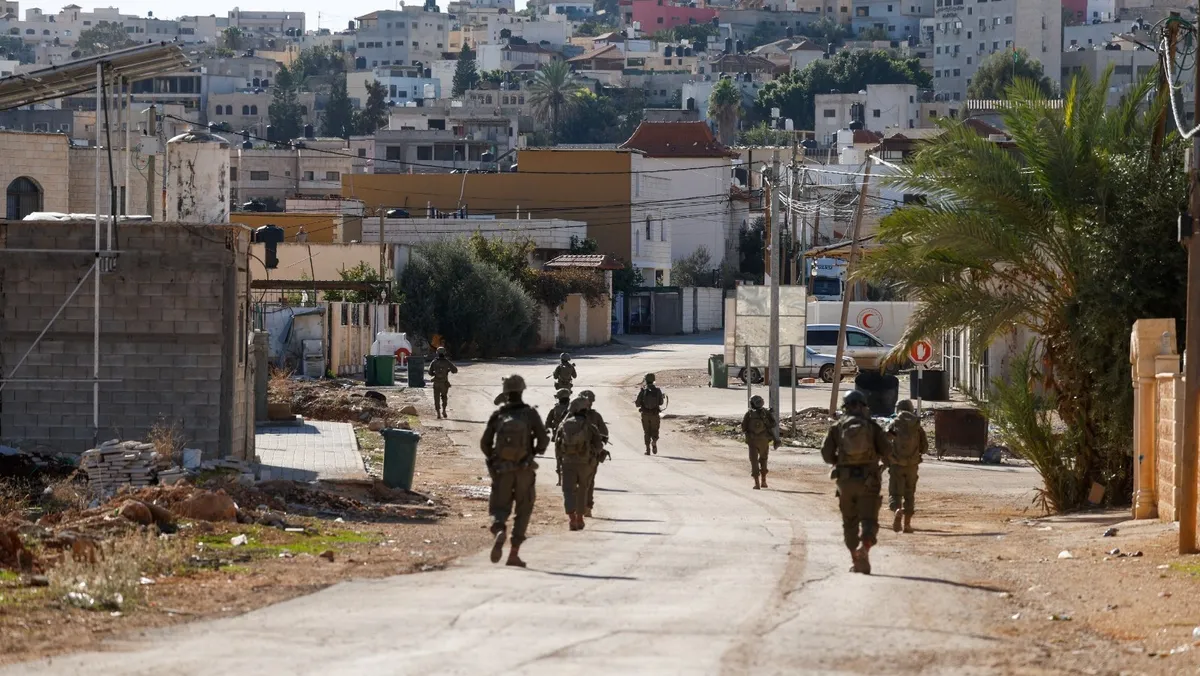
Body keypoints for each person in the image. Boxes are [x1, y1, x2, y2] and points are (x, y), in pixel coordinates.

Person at [480, 374, 549, 568]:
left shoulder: (498, 415)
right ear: (522, 390)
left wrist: (495, 459)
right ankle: (513, 553)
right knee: (523, 510)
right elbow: (543, 440)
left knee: (499, 508)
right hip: (524, 470)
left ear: (505, 392)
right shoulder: (530, 414)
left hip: (502, 470)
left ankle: (499, 529)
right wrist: (532, 453)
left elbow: (485, 443)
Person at [821, 390, 891, 575]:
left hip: (845, 481)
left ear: (845, 407)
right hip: (869, 481)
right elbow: (887, 450)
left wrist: (839, 461)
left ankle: (855, 559)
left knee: (849, 522)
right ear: (863, 406)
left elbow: (826, 455)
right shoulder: (872, 427)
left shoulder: (837, 427)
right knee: (869, 520)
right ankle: (865, 548)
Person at [556, 397, 604, 531]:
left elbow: (557, 445)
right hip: (585, 463)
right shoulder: (590, 426)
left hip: (568, 462)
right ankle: (580, 518)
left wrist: (560, 461)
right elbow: (599, 446)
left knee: (568, 490)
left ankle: (572, 519)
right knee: (583, 488)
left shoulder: (564, 425)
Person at [887, 399, 926, 534]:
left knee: (895, 493)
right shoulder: (917, 425)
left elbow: (884, 443)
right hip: (912, 466)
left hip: (897, 465)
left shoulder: (894, 424)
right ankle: (907, 525)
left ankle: (897, 510)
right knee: (909, 494)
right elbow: (925, 448)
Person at [578, 390, 609, 517]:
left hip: (574, 455)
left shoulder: (571, 415)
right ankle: (587, 507)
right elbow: (605, 435)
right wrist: (597, 446)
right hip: (591, 456)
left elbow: (560, 433)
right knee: (589, 482)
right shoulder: (596, 416)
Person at [741, 395, 781, 490]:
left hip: (752, 441)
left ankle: (757, 483)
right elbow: (773, 424)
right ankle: (764, 481)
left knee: (754, 460)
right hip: (764, 440)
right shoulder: (765, 412)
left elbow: (743, 427)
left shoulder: (749, 414)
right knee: (763, 459)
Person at [545, 388, 572, 487]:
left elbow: (547, 423)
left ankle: (560, 480)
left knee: (559, 457)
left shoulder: (555, 409)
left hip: (559, 437)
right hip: (572, 438)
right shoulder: (573, 408)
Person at [635, 373, 665, 455]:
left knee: (647, 432)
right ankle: (654, 441)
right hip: (655, 415)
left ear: (646, 380)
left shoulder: (643, 391)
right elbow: (661, 402)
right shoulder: (658, 391)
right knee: (655, 430)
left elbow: (637, 404)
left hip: (645, 415)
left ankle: (647, 449)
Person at [428, 346, 459, 419]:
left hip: (436, 382)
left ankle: (438, 413)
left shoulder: (434, 362)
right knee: (444, 397)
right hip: (444, 383)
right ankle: (444, 410)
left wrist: (434, 373)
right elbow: (455, 370)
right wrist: (448, 370)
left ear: (437, 353)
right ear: (444, 353)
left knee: (436, 398)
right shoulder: (447, 362)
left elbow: (430, 372)